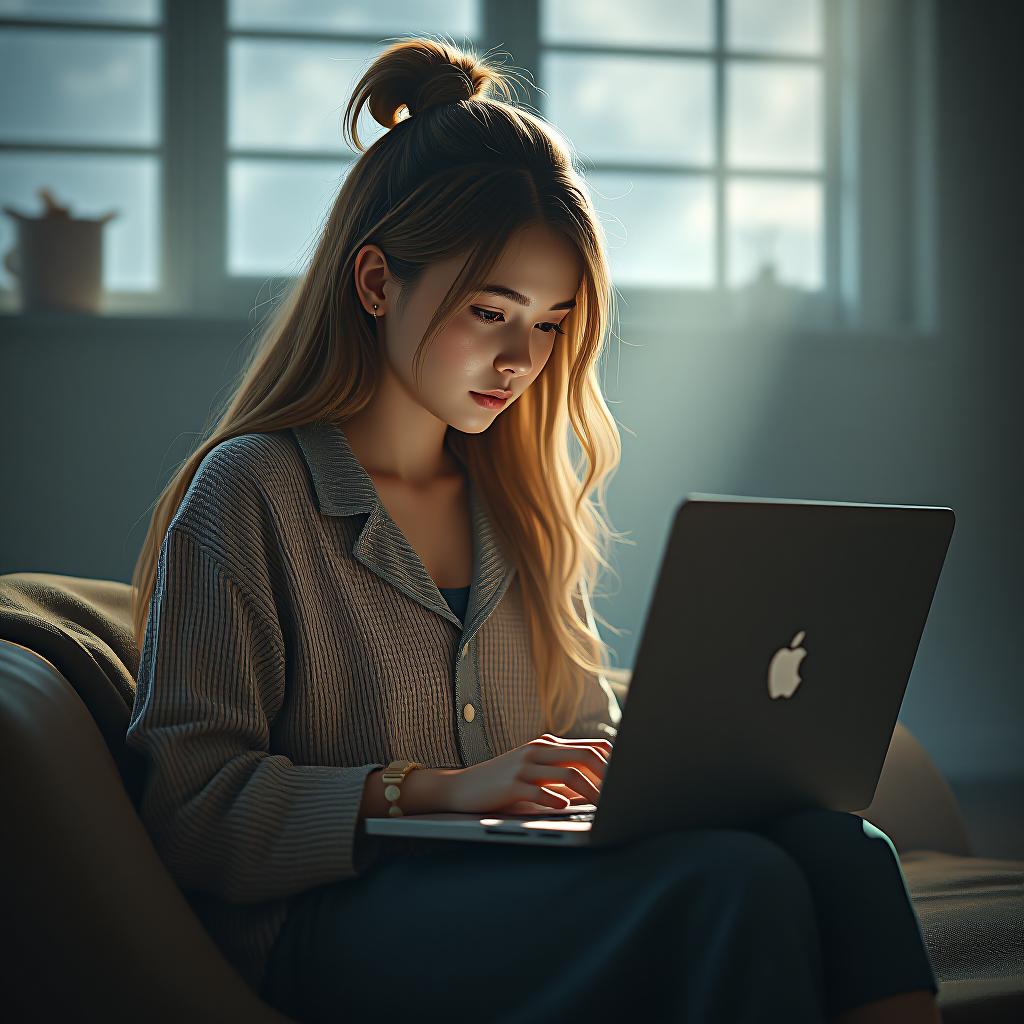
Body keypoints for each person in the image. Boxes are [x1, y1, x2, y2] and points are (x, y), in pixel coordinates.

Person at [126, 34, 941, 1024]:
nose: (522, 358)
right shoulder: (251, 491)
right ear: (377, 282)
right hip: (333, 924)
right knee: (734, 884)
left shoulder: (514, 498)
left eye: (551, 322)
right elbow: (189, 808)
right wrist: (431, 792)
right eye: (490, 311)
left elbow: (577, 733)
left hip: (517, 887)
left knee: (840, 851)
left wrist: (650, 770)